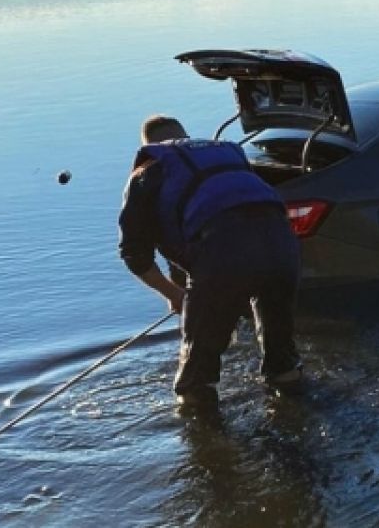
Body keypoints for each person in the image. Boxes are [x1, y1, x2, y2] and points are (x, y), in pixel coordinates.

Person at [117, 114, 302, 404]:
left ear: (149, 145)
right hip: (283, 246)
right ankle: (291, 406)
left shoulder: (149, 172)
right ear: (185, 136)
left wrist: (174, 294)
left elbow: (134, 253)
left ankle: (201, 432)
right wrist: (182, 291)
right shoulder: (226, 156)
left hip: (222, 252)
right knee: (283, 362)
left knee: (195, 382)